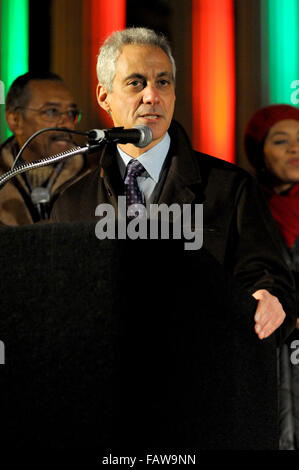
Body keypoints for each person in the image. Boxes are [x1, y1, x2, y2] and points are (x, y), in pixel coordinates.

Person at [51, 27, 296, 345]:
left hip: (202, 374)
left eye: (162, 82)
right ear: (104, 96)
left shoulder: (230, 188)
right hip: (107, 381)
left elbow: (271, 280)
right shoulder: (72, 202)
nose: (152, 96)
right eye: (136, 82)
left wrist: (269, 298)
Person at [244, 104, 299, 450]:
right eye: (281, 141)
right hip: (267, 353)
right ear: (259, 154)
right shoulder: (243, 210)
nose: (295, 149)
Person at [0, 72, 93, 225]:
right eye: (52, 111)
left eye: (71, 113)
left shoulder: (96, 175)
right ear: (15, 120)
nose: (68, 125)